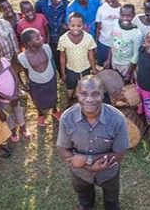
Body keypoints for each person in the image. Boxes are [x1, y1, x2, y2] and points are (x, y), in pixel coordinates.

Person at [57, 75, 129, 210]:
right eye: (84, 94)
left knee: (112, 199)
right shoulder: (67, 118)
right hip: (79, 173)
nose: (89, 99)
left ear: (103, 95)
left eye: (96, 94)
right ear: (77, 95)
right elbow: (63, 148)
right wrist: (85, 167)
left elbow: (119, 154)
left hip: (108, 173)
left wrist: (87, 159)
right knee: (84, 197)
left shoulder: (117, 119)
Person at [18, 28, 61, 127]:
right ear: (29, 43)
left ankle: (54, 110)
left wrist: (55, 74)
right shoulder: (22, 57)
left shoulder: (46, 48)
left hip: (50, 78)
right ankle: (40, 114)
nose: (41, 38)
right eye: (37, 38)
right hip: (36, 82)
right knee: (38, 99)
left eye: (40, 36)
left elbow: (51, 61)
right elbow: (26, 70)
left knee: (53, 94)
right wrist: (27, 82)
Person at [58, 12, 97, 107]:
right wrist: (63, 73)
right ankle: (69, 102)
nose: (75, 28)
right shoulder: (63, 39)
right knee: (70, 89)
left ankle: (84, 104)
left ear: (83, 25)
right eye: (72, 25)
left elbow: (91, 56)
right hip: (71, 69)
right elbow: (62, 57)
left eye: (79, 26)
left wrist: (94, 69)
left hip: (85, 68)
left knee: (86, 87)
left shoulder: (88, 38)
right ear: (68, 25)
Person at [35, 0, 70, 72]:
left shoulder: (68, 5)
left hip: (61, 37)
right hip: (49, 39)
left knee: (64, 58)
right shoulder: (40, 4)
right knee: (52, 58)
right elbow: (37, 18)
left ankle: (63, 73)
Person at [104, 4, 142, 82]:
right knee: (114, 83)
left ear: (134, 15)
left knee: (125, 87)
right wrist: (109, 59)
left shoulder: (136, 33)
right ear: (119, 14)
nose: (125, 18)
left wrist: (128, 73)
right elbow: (112, 43)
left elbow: (136, 55)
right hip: (114, 62)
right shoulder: (115, 24)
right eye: (123, 15)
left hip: (126, 65)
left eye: (128, 16)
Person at [95, 0, 121, 66]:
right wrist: (96, 45)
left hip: (117, 45)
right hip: (103, 44)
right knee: (101, 67)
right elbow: (98, 28)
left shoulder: (123, 10)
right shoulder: (101, 9)